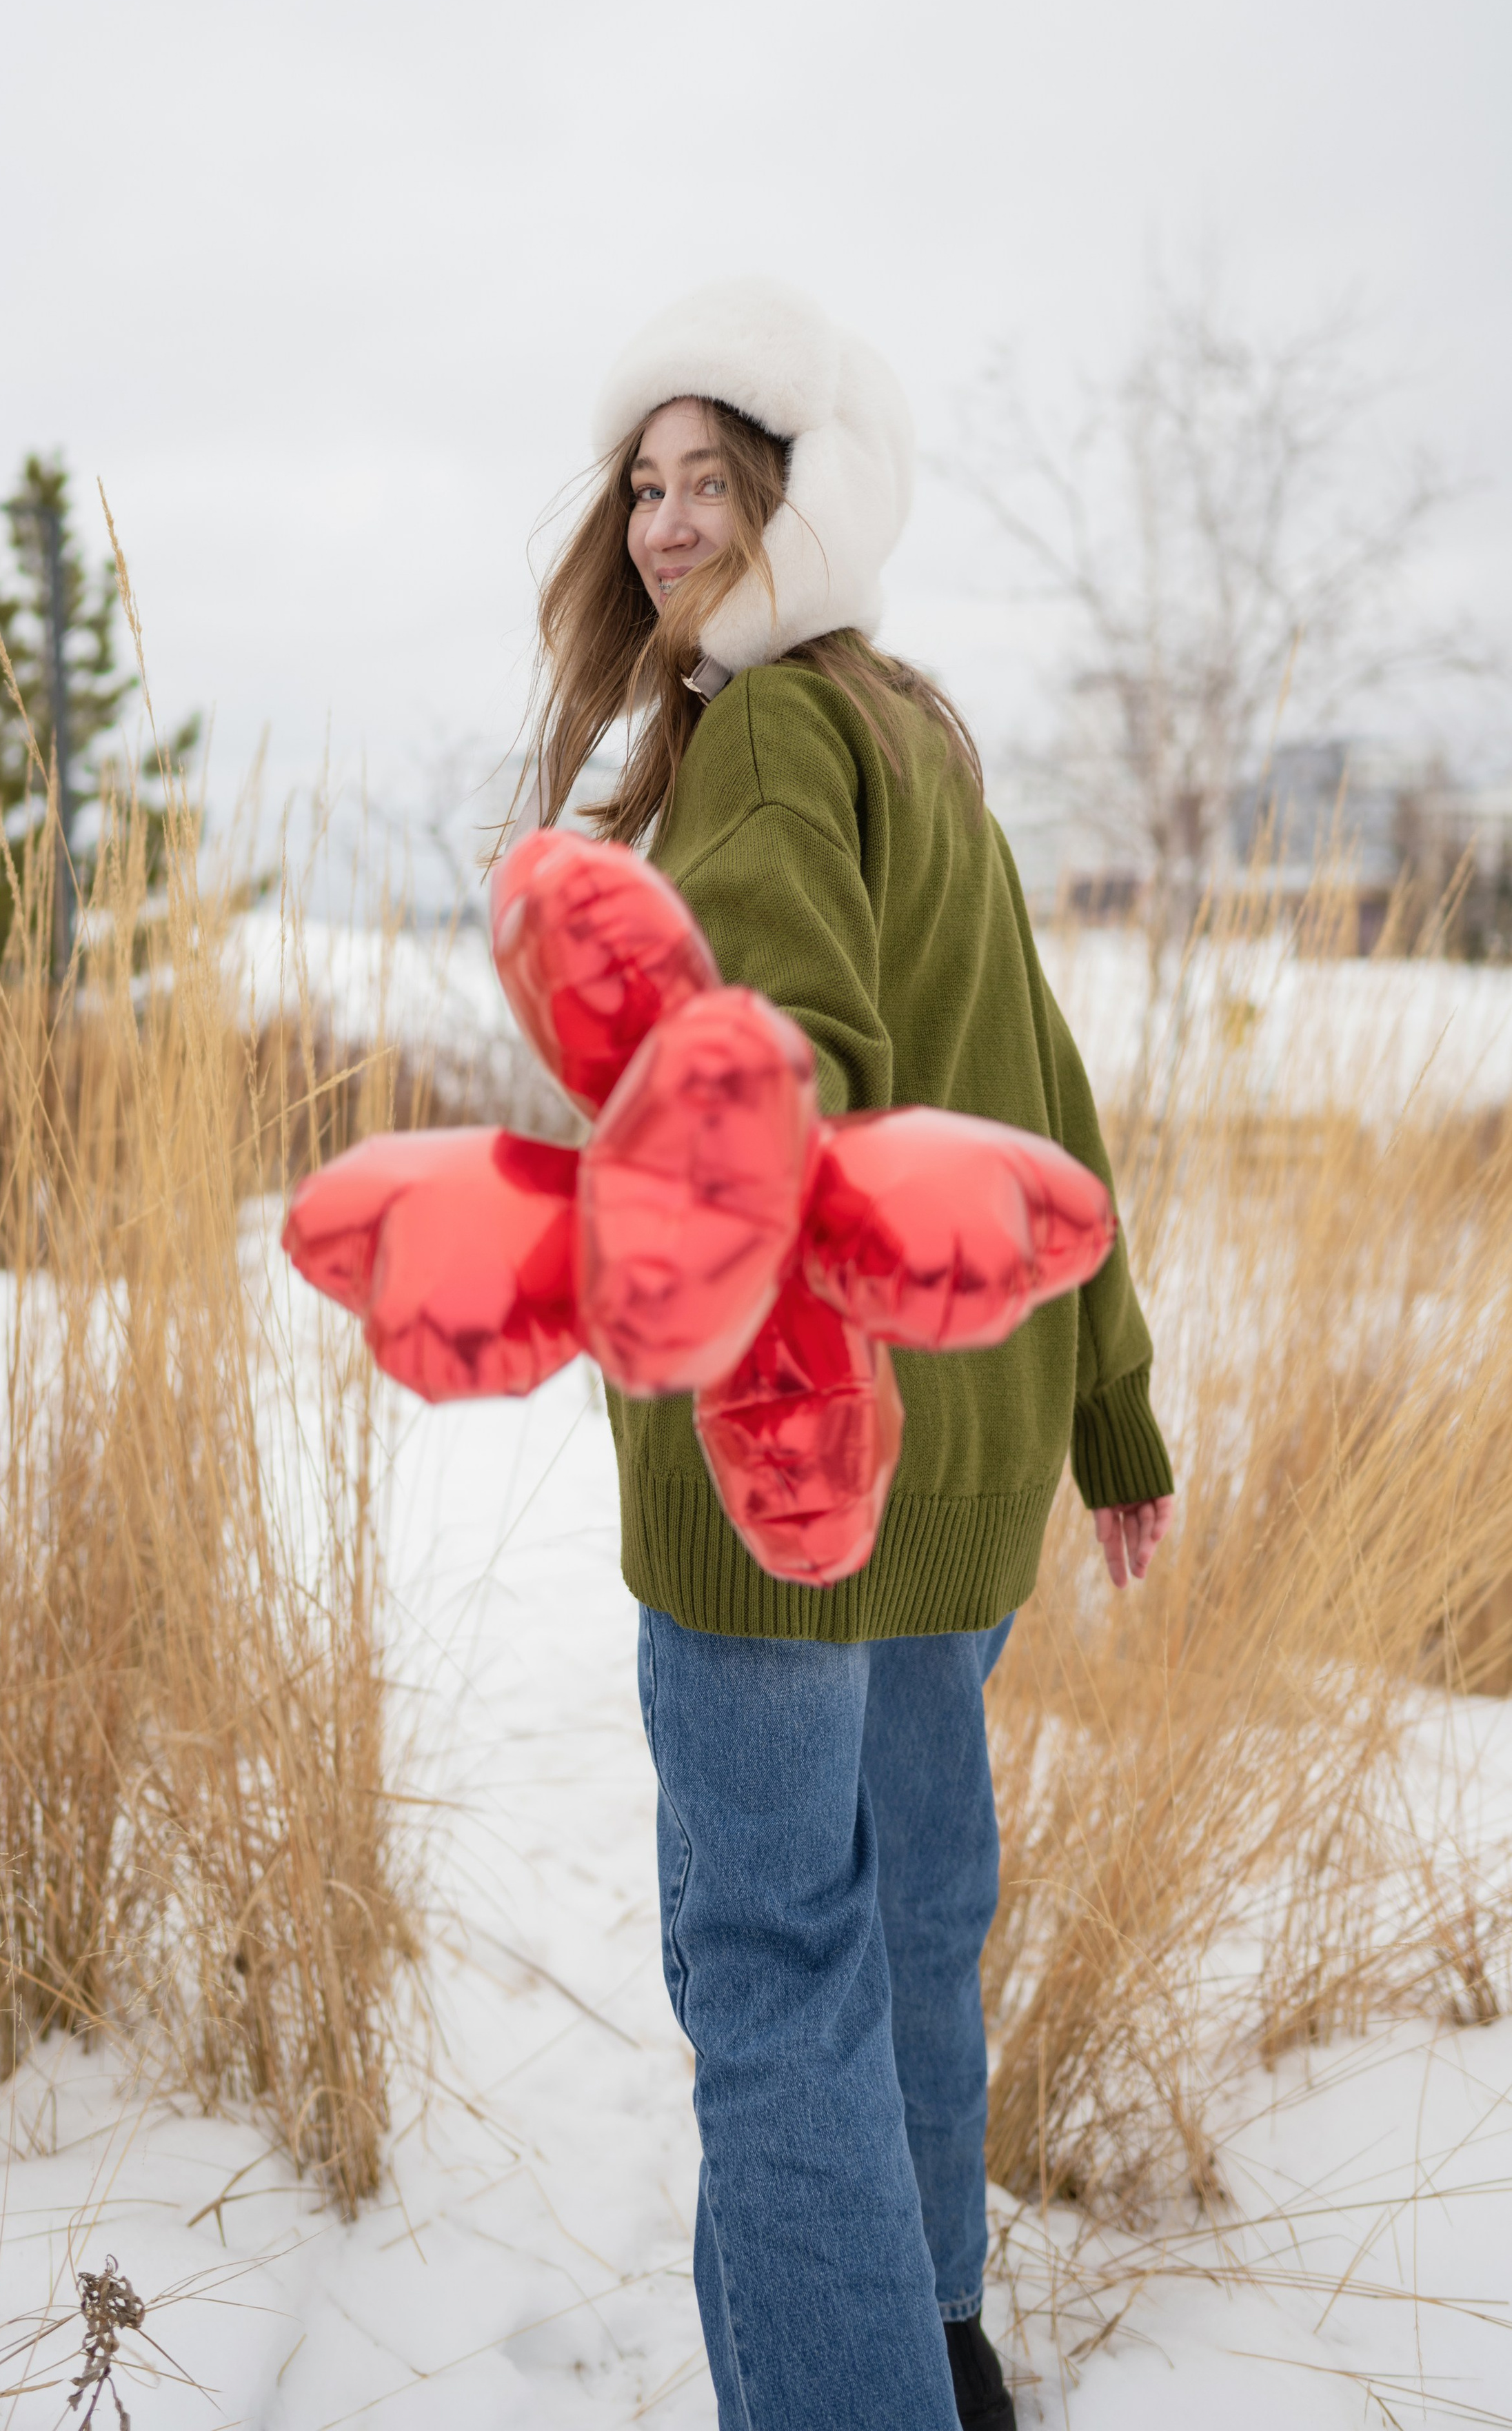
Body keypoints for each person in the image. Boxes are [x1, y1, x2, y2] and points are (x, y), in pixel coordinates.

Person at [525, 281, 1174, 2431]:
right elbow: (1048, 1095)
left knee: (777, 1973)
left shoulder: (775, 737)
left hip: (786, 1472)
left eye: (712, 480)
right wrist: (1110, 1410)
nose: (664, 521)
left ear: (808, 500)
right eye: (644, 483)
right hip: (961, 1467)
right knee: (901, 1930)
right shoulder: (919, 734)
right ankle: (941, 2349)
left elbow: (788, 1044)